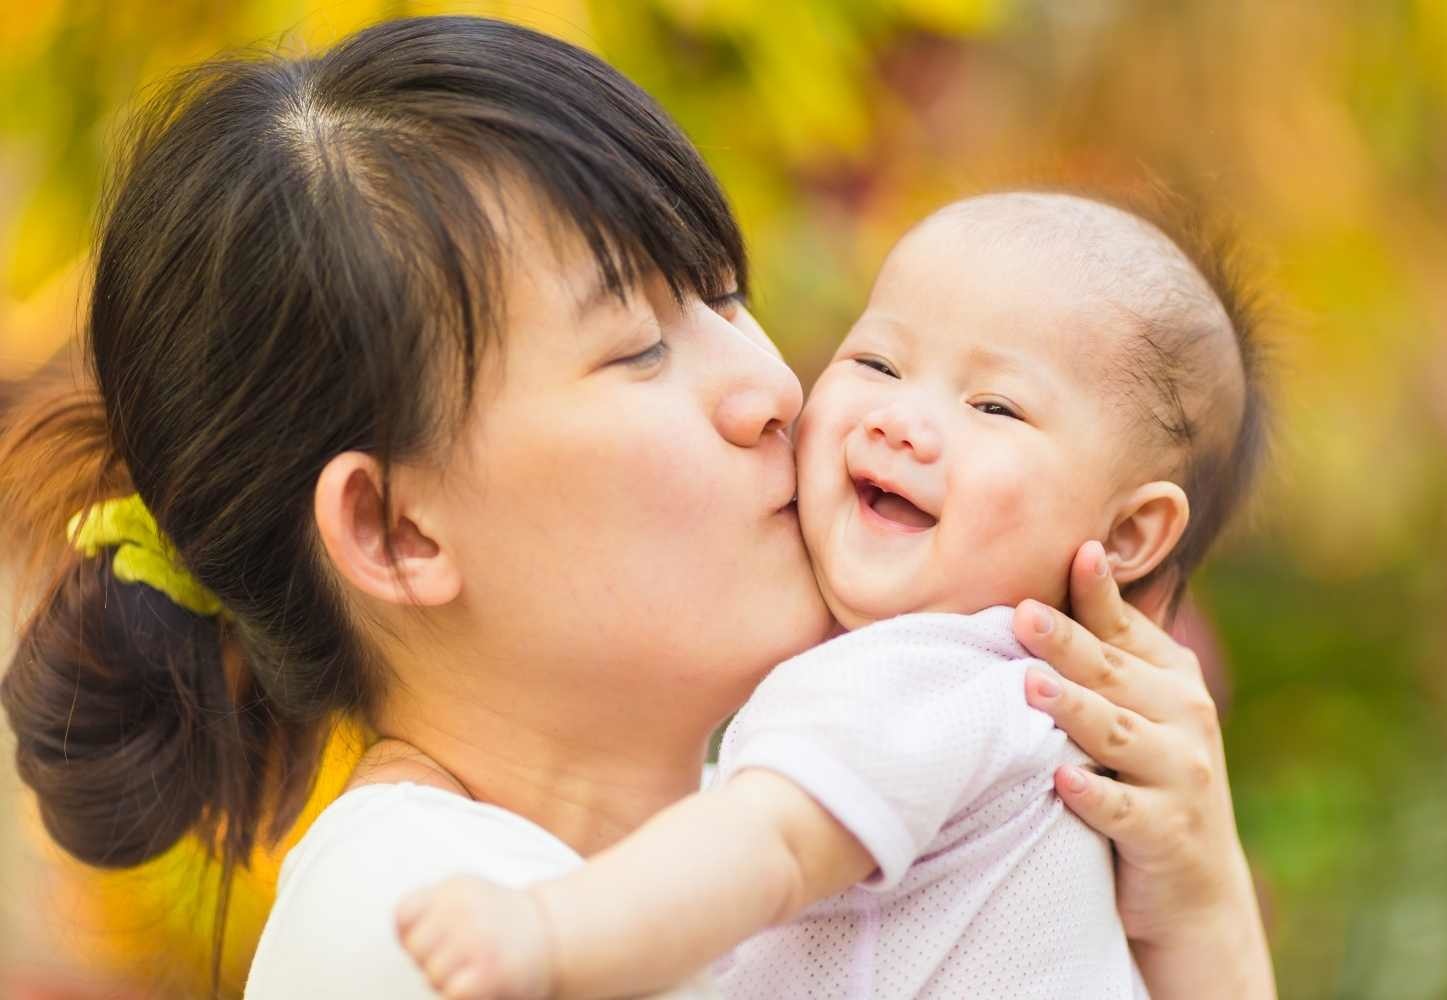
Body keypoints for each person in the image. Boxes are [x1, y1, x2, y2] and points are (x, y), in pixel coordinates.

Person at [0, 16, 1274, 1000]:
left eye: (724, 295)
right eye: (638, 349)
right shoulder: (428, 925)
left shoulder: (765, 891)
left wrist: (1198, 919)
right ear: (398, 531)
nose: (777, 388)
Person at [393, 191, 1267, 999]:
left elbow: (766, 847)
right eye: (880, 361)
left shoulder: (932, 676)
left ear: (1128, 537)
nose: (899, 418)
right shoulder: (1031, 729)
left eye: (995, 407)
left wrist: (547, 927)